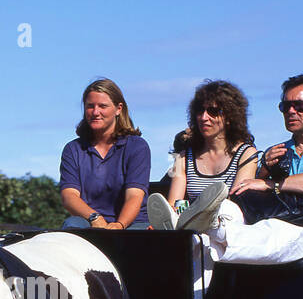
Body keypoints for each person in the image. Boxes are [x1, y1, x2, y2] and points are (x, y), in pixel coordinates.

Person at [189, 73, 303, 265]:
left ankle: (211, 226)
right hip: (280, 219)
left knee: (275, 232)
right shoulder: (279, 151)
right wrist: (264, 168)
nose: (291, 111)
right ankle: (196, 229)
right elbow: (250, 188)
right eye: (285, 107)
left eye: (299, 106)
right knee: (206, 241)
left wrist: (269, 183)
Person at [148, 80, 258, 232]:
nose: (204, 117)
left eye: (213, 111)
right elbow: (175, 203)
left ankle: (203, 216)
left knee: (227, 211)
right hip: (193, 233)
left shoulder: (246, 154)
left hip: (227, 228)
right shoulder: (183, 158)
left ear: (229, 116)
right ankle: (195, 218)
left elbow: (236, 202)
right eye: (200, 111)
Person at [59, 78, 150, 230]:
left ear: (118, 109)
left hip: (131, 224)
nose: (95, 112)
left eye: (102, 106)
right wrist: (95, 218)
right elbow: (69, 196)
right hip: (89, 221)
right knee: (72, 225)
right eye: (90, 106)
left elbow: (135, 195)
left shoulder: (137, 147)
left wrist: (119, 226)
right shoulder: (73, 149)